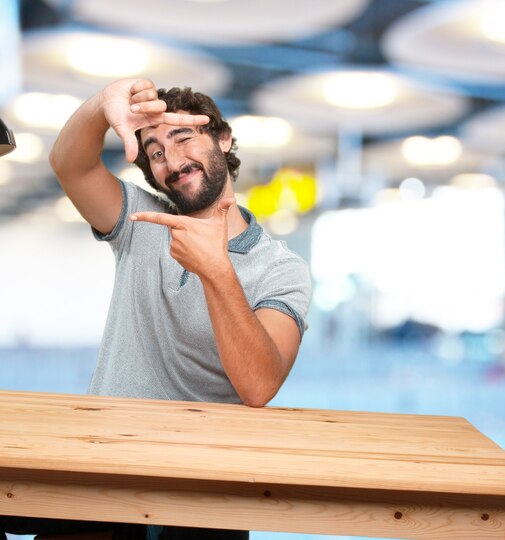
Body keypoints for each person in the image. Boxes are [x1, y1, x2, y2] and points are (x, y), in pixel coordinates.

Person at [0, 79, 311, 540]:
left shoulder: (282, 269)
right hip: (99, 483)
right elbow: (68, 164)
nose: (172, 160)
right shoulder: (140, 222)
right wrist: (102, 106)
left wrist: (217, 272)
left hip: (201, 502)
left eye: (183, 138)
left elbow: (259, 383)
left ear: (223, 141)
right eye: (155, 152)